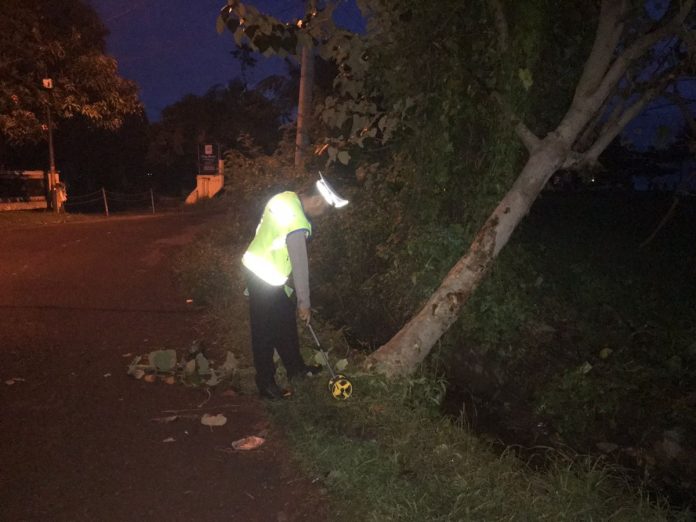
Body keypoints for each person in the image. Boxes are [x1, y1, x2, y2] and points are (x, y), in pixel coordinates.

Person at [242, 173, 349, 400]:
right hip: (263, 276)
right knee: (264, 332)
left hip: (264, 272)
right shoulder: (297, 222)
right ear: (318, 201)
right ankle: (266, 383)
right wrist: (304, 303)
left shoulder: (287, 197)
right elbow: (301, 266)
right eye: (324, 210)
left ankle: (296, 369)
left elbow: (267, 232)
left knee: (285, 323)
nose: (322, 215)